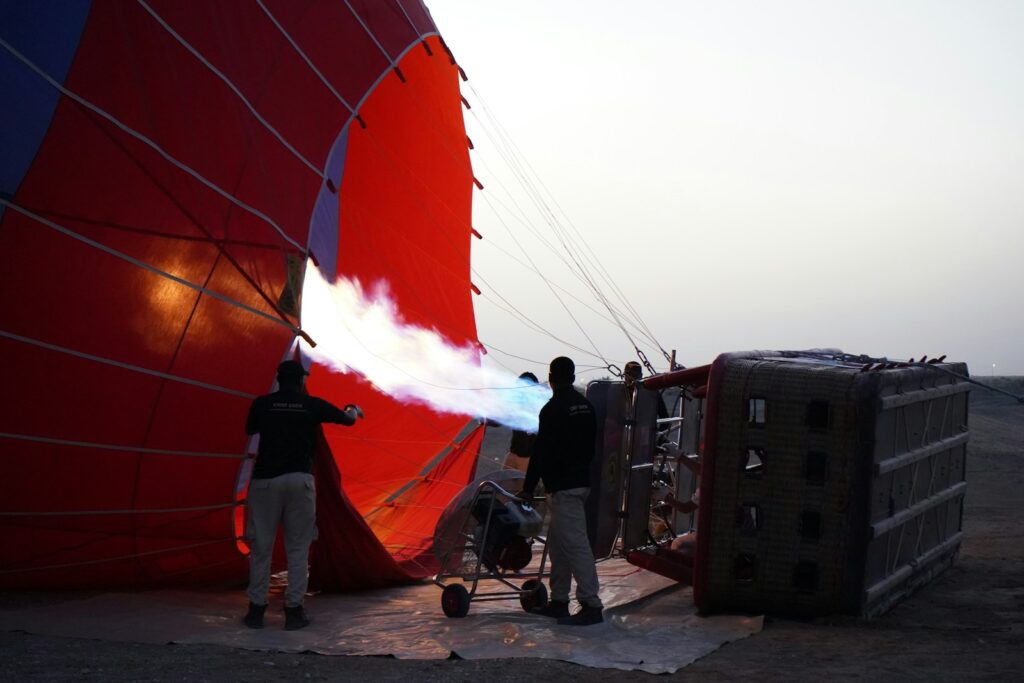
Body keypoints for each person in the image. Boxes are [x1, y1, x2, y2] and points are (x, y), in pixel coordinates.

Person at [242, 359, 363, 630]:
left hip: (265, 483)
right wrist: (353, 409)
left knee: (261, 547)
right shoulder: (312, 405)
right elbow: (347, 420)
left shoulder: (262, 404)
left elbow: (250, 429)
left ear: (278, 379)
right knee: (298, 549)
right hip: (300, 482)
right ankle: (294, 612)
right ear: (301, 381)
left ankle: (256, 612)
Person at [520, 356, 604, 626]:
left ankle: (591, 604)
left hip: (563, 488)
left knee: (576, 545)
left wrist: (528, 488)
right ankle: (559, 601)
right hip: (580, 482)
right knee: (558, 547)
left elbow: (540, 452)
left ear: (551, 377)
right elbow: (592, 447)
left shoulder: (553, 409)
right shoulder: (586, 406)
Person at [502, 372, 539, 473]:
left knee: (523, 487)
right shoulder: (516, 404)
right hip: (514, 453)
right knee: (504, 484)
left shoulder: (537, 406)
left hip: (528, 456)